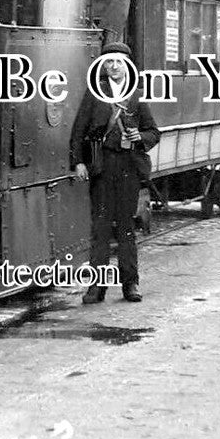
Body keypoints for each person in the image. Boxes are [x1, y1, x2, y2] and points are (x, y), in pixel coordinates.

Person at [69, 42, 160, 304]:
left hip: (129, 169)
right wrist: (78, 162)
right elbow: (78, 131)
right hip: (102, 166)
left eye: (119, 62)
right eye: (109, 62)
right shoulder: (94, 94)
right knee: (100, 228)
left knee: (126, 228)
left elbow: (154, 133)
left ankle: (130, 284)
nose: (114, 66)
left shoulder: (137, 96)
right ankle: (96, 288)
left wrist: (139, 136)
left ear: (128, 66)